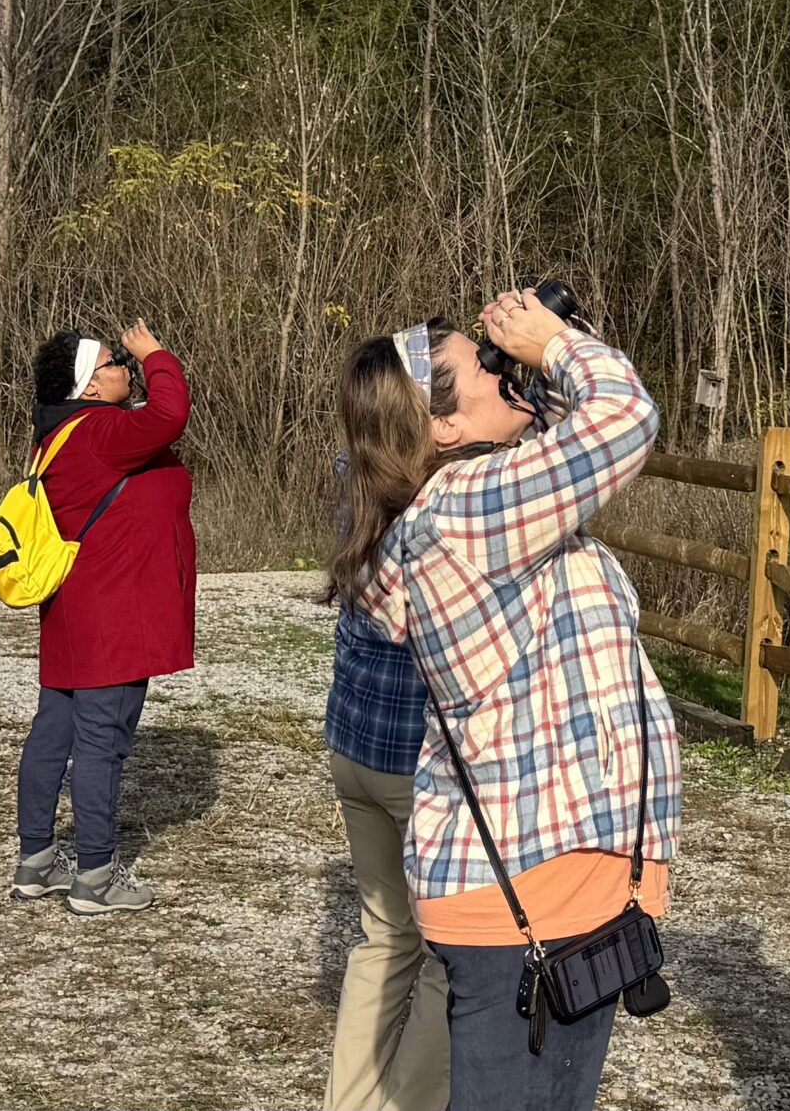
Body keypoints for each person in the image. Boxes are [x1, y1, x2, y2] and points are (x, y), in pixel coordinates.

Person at [342, 290, 676, 1111]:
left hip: (548, 881)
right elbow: (623, 419)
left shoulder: (463, 506)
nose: (501, 367)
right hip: (536, 889)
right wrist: (555, 344)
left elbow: (579, 433)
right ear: (442, 427)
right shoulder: (465, 513)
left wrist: (544, 357)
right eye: (476, 364)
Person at [10, 318, 196, 914]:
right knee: (100, 742)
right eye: (116, 362)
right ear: (89, 386)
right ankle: (95, 875)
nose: (128, 367)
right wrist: (159, 355)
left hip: (72, 608)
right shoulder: (101, 430)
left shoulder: (62, 432)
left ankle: (36, 861)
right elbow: (170, 415)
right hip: (115, 614)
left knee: (53, 731)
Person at [320, 322, 454, 1111]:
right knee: (448, 956)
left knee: (384, 935)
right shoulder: (438, 507)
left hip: (354, 746)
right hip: (414, 762)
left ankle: (351, 1101)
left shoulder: (355, 475)